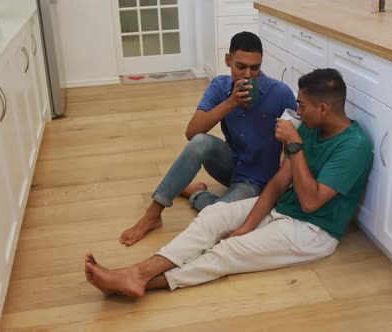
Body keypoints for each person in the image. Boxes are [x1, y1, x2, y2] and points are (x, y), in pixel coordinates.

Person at [86, 68, 374, 297]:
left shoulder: (354, 147)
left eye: (302, 105)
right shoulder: (313, 127)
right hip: (283, 210)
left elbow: (311, 202)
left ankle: (142, 282)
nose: (297, 111)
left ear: (323, 108)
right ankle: (137, 273)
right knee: (215, 216)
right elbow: (278, 182)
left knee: (228, 252)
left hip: (313, 231)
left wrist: (294, 145)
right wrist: (246, 226)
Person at [119, 31, 297, 246]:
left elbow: (296, 148)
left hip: (256, 182)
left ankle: (196, 195)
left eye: (255, 68)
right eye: (241, 67)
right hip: (230, 165)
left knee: (215, 219)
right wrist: (230, 103)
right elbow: (192, 133)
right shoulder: (220, 86)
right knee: (200, 142)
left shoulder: (281, 94)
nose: (248, 74)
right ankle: (153, 214)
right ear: (228, 60)